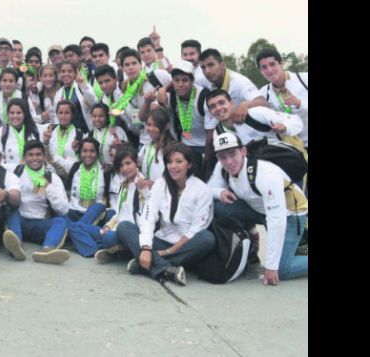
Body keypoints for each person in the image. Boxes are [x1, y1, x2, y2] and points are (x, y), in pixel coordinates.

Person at [207, 132, 307, 285]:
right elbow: (208, 190)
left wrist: (271, 266)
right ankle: (250, 243)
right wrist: (220, 192)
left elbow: (277, 220)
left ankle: (297, 244)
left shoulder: (265, 174)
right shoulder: (222, 166)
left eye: (233, 154)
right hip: (259, 209)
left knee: (282, 270)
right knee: (219, 207)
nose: (228, 161)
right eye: (222, 156)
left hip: (290, 214)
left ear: (243, 151)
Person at [117, 143, 215, 286]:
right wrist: (146, 248)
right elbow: (148, 217)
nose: (173, 166)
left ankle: (147, 264)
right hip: (161, 241)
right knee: (124, 227)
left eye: (179, 161)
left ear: (189, 164)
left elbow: (196, 229)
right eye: (169, 162)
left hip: (186, 245)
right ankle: (166, 269)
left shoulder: (202, 190)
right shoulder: (161, 184)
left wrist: (169, 251)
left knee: (207, 239)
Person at [66, 145, 147, 260]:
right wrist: (107, 226)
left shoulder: (142, 185)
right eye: (121, 166)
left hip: (128, 232)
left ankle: (105, 248)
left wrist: (144, 187)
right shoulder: (124, 184)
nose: (124, 168)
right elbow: (119, 214)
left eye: (128, 163)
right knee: (75, 226)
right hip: (114, 229)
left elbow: (144, 215)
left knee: (108, 238)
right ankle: (97, 250)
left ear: (137, 162)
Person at [2, 140, 71, 264]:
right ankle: (17, 245)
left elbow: (63, 210)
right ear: (24, 157)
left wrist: (47, 188)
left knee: (61, 221)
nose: (35, 158)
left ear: (44, 156)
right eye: (30, 154)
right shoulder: (16, 171)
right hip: (19, 220)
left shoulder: (52, 178)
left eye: (38, 154)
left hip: (40, 223)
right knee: (10, 209)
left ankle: (47, 250)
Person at [156, 60, 215, 174]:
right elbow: (152, 108)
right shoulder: (170, 96)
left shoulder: (204, 97)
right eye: (176, 80)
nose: (180, 84)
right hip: (183, 147)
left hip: (204, 147)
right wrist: (160, 95)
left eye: (185, 80)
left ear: (192, 80)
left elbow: (210, 135)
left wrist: (207, 162)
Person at [206, 89, 303, 145]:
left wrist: (284, 127)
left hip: (286, 163)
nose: (218, 108)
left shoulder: (255, 113)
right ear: (210, 112)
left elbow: (295, 121)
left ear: (231, 103)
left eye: (221, 103)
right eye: (212, 107)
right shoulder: (218, 133)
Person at [256, 48, 308, 150]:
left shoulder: (304, 79)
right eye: (264, 67)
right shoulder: (263, 94)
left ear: (282, 64)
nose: (269, 70)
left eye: (272, 64)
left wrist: (300, 104)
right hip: (294, 150)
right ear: (260, 71)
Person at [198, 49, 267, 124]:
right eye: (203, 67)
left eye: (211, 65)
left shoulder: (240, 82)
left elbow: (263, 103)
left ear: (222, 65)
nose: (207, 71)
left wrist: (247, 104)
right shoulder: (206, 79)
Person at [0, 98, 42, 169]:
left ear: (25, 114)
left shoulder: (35, 130)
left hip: (32, 174)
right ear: (8, 114)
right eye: (12, 113)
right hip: (9, 175)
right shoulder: (0, 133)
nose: (15, 116)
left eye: (19, 113)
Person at [53, 61, 97, 133]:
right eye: (63, 71)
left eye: (70, 71)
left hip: (86, 131)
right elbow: (56, 117)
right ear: (59, 74)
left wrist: (83, 87)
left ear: (75, 73)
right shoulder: (58, 94)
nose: (66, 74)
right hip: (68, 134)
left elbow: (94, 104)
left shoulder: (83, 86)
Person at [137, 107, 176, 187]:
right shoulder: (146, 147)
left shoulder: (172, 149)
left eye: (156, 125)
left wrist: (154, 184)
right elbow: (136, 163)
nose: (151, 129)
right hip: (147, 194)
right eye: (149, 125)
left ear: (166, 126)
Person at [42, 100, 83, 175]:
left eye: (67, 113)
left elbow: (82, 157)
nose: (63, 116)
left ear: (72, 114)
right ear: (56, 114)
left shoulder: (79, 133)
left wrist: (78, 150)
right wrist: (46, 141)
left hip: (70, 174)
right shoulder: (50, 129)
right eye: (60, 113)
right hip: (51, 173)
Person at [88, 103, 129, 167]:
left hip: (116, 169)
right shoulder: (90, 135)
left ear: (107, 117)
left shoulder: (117, 130)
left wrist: (117, 140)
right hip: (98, 172)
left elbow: (127, 151)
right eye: (94, 116)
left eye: (101, 116)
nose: (97, 119)